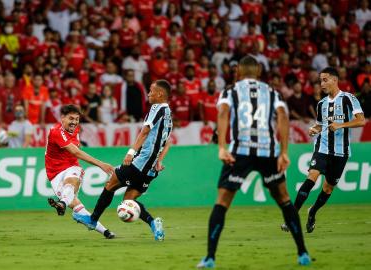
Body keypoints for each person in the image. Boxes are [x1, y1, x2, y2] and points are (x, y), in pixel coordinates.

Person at [197, 56, 311, 268]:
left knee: (222, 202)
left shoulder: (230, 91)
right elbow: (283, 117)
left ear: (238, 71)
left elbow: (222, 113)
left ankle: (210, 257)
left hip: (240, 152)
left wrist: (222, 147)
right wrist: (284, 152)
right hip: (268, 152)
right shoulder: (272, 92)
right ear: (259, 71)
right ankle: (302, 253)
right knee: (284, 199)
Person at [73, 80, 173, 241]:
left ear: (160, 94)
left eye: (151, 91)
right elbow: (168, 142)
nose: (148, 94)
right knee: (128, 201)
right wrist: (159, 160)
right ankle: (154, 224)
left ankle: (92, 220)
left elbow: (145, 131)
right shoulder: (169, 115)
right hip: (151, 170)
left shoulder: (157, 108)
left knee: (111, 182)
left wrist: (131, 152)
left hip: (140, 162)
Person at [281, 67, 365, 233]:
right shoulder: (321, 104)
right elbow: (320, 125)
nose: (322, 84)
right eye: (320, 81)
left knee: (328, 188)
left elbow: (361, 121)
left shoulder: (348, 99)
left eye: (325, 80)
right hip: (323, 147)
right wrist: (315, 129)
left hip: (341, 152)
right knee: (312, 176)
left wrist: (341, 125)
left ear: (335, 80)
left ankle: (312, 212)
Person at [45, 104, 115, 239]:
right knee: (77, 207)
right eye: (71, 118)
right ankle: (106, 232)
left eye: (77, 119)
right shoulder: (56, 132)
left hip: (72, 167)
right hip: (54, 174)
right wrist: (101, 164)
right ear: (62, 118)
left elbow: (75, 150)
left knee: (70, 185)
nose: (74, 122)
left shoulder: (75, 130)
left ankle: (62, 203)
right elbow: (76, 152)